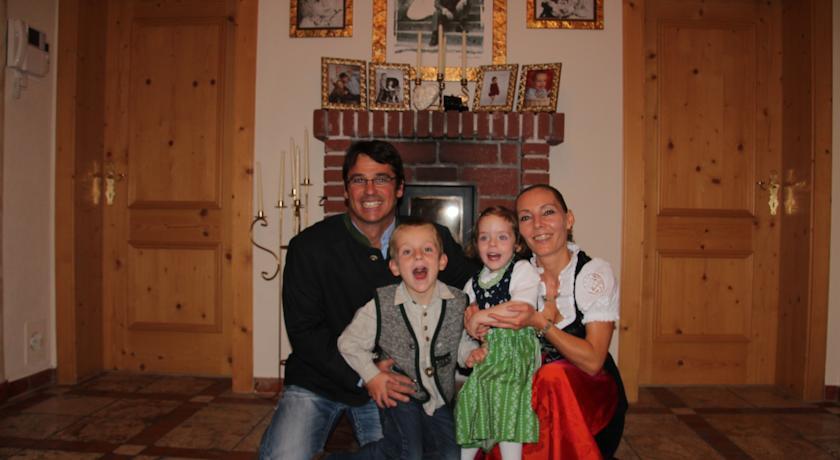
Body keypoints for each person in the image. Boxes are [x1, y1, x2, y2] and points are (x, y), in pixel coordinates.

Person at [257, 140, 477, 460]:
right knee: (284, 456)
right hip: (320, 378)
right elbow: (304, 332)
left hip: (394, 388)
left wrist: (522, 284)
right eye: (359, 180)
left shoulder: (428, 239)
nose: (370, 190)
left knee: (405, 453)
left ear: (399, 188)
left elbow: (474, 285)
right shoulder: (309, 247)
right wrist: (366, 375)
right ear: (347, 190)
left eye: (381, 179)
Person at [478, 184, 627, 460]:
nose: (538, 224)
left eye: (547, 212)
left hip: (589, 404)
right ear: (519, 231)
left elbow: (594, 361)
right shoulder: (513, 273)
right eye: (526, 217)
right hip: (528, 399)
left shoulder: (592, 274)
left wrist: (540, 323)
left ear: (568, 220)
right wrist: (472, 314)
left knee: (553, 376)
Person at [333, 219, 481, 459]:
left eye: (427, 249)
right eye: (407, 252)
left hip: (438, 396)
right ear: (394, 266)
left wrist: (470, 354)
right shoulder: (381, 304)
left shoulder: (457, 301)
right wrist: (372, 376)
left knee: (451, 454)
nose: (418, 256)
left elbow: (460, 340)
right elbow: (348, 343)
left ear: (442, 261)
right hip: (399, 393)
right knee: (409, 452)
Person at [456, 206, 541, 459]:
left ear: (517, 244)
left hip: (516, 352)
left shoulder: (521, 270)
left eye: (502, 237)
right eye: (484, 237)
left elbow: (520, 309)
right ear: (476, 244)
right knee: (472, 398)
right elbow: (466, 324)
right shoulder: (473, 283)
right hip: (489, 354)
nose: (492, 244)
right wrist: (471, 342)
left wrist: (480, 316)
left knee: (506, 400)